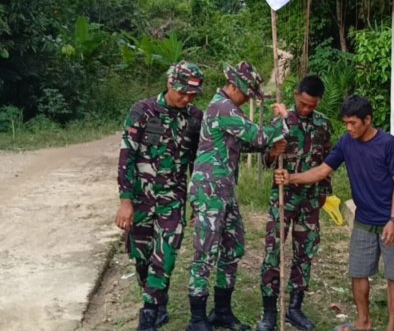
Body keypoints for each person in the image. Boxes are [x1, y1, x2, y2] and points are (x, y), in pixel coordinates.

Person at [275, 95, 394, 331]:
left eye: (353, 123)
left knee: (393, 276)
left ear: (367, 120)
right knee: (358, 273)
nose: (348, 128)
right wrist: (291, 178)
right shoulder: (346, 143)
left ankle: (392, 327)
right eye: (346, 123)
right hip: (363, 222)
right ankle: (363, 322)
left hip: (392, 222)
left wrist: (393, 219)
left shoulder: (389, 143)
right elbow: (321, 171)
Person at [186, 61, 288, 331]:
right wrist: (282, 120)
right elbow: (258, 136)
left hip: (225, 190)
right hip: (209, 190)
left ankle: (221, 311)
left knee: (233, 248)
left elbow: (245, 143)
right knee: (206, 252)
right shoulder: (222, 107)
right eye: (247, 94)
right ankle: (197, 319)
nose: (246, 100)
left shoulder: (230, 109)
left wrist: (270, 148)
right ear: (234, 86)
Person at [115, 61, 205, 331]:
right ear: (170, 84)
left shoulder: (194, 117)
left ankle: (149, 316)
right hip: (141, 198)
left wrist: (197, 198)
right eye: (182, 92)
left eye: (192, 94)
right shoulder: (142, 111)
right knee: (142, 257)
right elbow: (126, 156)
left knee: (165, 254)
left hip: (172, 199)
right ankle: (157, 300)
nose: (187, 98)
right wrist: (125, 201)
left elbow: (196, 162)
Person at [256, 75, 333, 331]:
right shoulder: (282, 121)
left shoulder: (323, 124)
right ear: (296, 95)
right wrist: (272, 153)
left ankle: (294, 309)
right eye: (303, 104)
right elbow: (266, 161)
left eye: (312, 105)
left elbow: (326, 163)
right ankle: (269, 312)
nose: (307, 109)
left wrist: (324, 193)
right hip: (283, 199)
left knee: (305, 253)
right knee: (274, 251)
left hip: (309, 201)